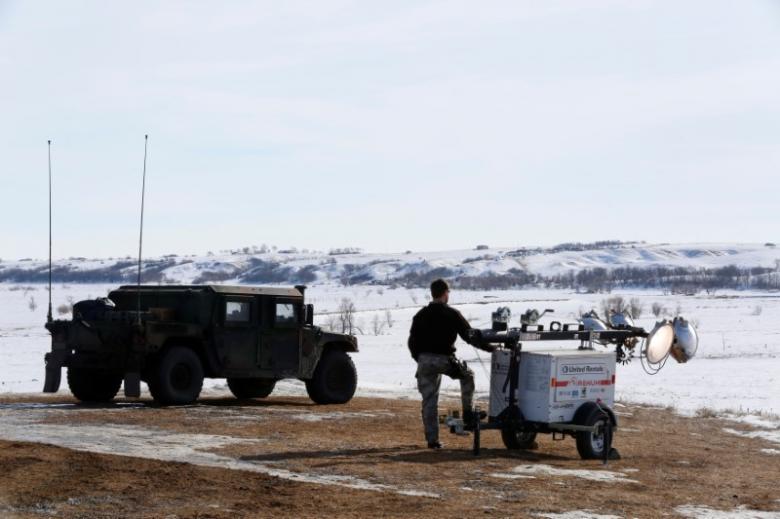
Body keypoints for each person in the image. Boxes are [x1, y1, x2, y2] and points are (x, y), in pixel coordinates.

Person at [407, 278, 493, 449]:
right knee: (468, 376)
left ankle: (432, 441)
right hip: (444, 360)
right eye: (448, 293)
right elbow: (470, 337)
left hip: (424, 361)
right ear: (445, 293)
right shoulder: (451, 313)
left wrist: (420, 359)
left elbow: (412, 342)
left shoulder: (420, 315)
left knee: (429, 401)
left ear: (432, 293)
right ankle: (468, 414)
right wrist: (491, 348)